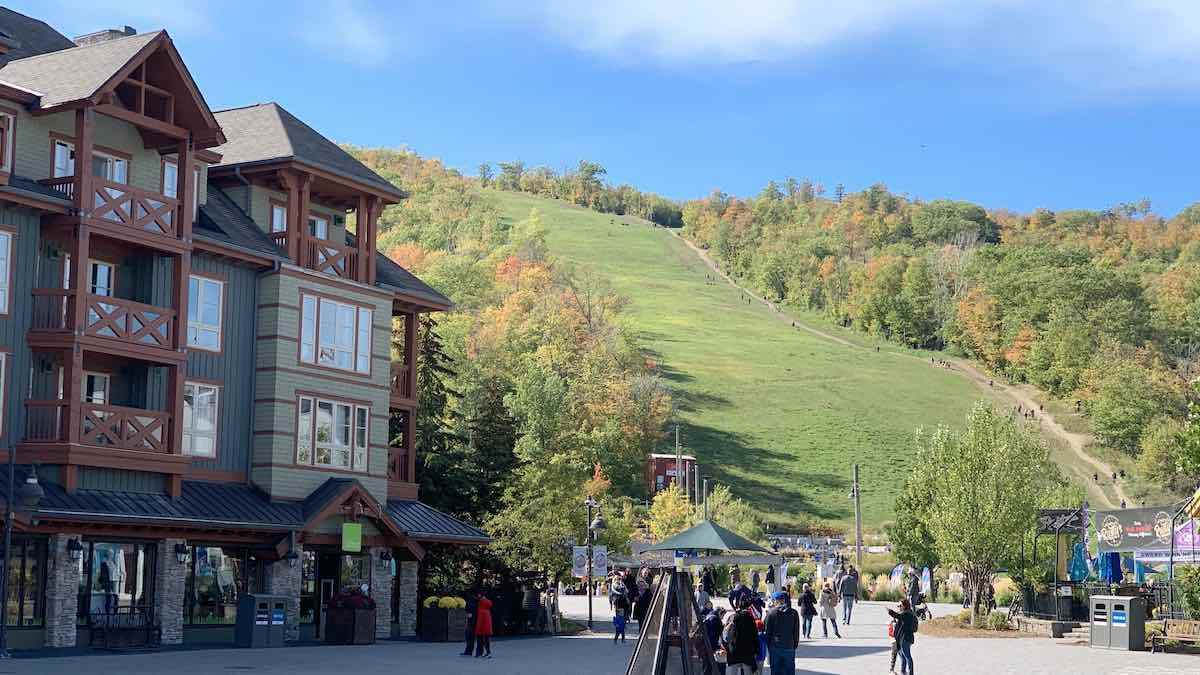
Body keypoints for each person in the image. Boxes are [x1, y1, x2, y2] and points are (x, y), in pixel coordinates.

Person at [764, 591, 799, 675]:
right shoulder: (794, 613)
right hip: (789, 646)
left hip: (775, 646)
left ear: (776, 600)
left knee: (776, 670)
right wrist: (794, 644)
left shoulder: (771, 613)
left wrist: (769, 646)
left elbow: (767, 631)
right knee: (789, 670)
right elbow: (796, 631)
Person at [723, 596, 760, 675]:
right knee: (747, 671)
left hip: (733, 651)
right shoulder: (750, 619)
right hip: (747, 651)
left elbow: (725, 634)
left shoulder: (732, 617)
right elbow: (755, 636)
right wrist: (756, 650)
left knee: (733, 672)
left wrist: (727, 647)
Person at [888, 598, 918, 675]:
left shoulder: (907, 614)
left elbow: (898, 616)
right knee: (903, 656)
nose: (899, 607)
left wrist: (890, 611)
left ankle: (910, 673)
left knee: (907, 656)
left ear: (904, 606)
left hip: (906, 638)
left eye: (900, 605)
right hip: (903, 638)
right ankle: (903, 671)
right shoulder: (906, 613)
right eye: (898, 605)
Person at [473, 591, 493, 658]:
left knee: (480, 639)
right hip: (487, 625)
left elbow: (480, 620)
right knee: (487, 639)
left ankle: (479, 653)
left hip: (481, 625)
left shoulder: (481, 605)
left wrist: (477, 628)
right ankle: (488, 652)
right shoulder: (487, 607)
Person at [460, 591, 478, 656]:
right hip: (476, 621)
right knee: (472, 637)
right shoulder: (475, 600)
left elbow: (469, 613)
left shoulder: (469, 603)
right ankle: (472, 651)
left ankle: (468, 651)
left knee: (469, 637)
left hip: (471, 622)